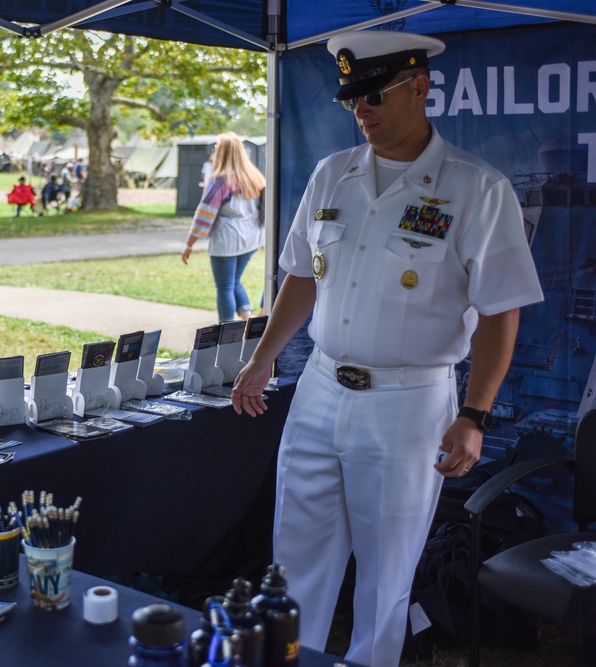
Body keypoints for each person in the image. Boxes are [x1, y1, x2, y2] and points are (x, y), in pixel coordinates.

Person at [230, 32, 543, 667]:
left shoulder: (475, 190)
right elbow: (300, 276)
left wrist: (475, 414)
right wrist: (263, 358)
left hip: (409, 403)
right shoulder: (332, 174)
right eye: (352, 100)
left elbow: (500, 312)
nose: (361, 111)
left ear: (420, 88)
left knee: (385, 575)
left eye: (373, 96)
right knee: (294, 560)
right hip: (319, 390)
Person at [181, 132, 265, 322]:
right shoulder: (254, 177)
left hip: (228, 240)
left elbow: (204, 213)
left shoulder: (220, 180)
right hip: (252, 237)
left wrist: (189, 244)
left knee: (225, 287)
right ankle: (248, 320)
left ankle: (227, 333)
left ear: (222, 153)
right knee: (234, 281)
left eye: (216, 148)